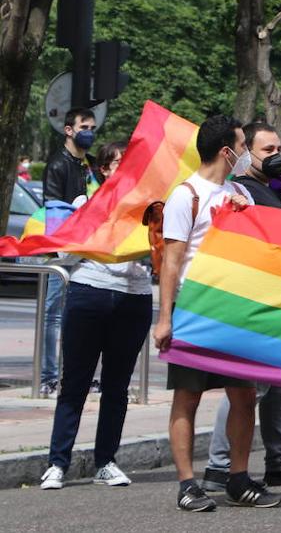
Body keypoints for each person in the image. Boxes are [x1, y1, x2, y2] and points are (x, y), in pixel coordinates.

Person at [151, 114, 278, 512]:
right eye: (242, 146)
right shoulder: (184, 195)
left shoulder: (238, 193)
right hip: (194, 311)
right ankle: (188, 484)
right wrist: (165, 318)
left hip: (233, 313)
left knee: (243, 396)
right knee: (186, 399)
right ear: (227, 151)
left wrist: (246, 214)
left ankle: (237, 479)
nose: (245, 153)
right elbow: (171, 263)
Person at [202, 123, 281, 490]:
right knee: (249, 387)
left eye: (279, 148)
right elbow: (251, 242)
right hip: (252, 301)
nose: (276, 155)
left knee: (279, 385)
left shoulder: (272, 189)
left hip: (278, 297)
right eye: (266, 150)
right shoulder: (240, 192)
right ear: (245, 153)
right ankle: (218, 467)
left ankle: (280, 461)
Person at [39, 143, 151, 491]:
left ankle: (106, 461)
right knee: (75, 383)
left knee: (116, 387)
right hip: (90, 292)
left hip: (135, 299)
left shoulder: (148, 208)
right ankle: (58, 463)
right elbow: (64, 248)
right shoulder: (84, 205)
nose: (126, 171)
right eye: (119, 164)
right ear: (104, 169)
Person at [39, 107, 99, 396]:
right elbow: (52, 208)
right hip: (59, 252)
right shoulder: (58, 165)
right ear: (69, 130)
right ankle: (49, 377)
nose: (89, 132)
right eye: (84, 126)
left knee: (80, 315)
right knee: (52, 315)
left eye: (92, 127)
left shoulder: (88, 164)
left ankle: (76, 375)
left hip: (85, 249)